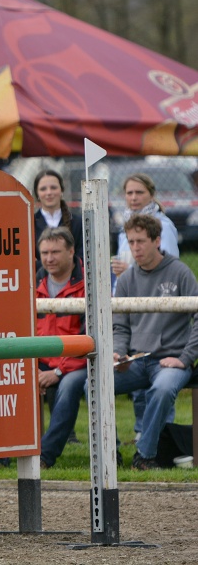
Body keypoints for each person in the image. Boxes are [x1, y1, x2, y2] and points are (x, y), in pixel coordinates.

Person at [111, 214, 198, 470]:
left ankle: (144, 456)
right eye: (130, 242)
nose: (134, 248)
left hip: (170, 361)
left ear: (157, 240)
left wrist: (184, 358)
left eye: (140, 241)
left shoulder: (180, 272)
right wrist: (118, 354)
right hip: (136, 360)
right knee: (92, 385)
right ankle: (109, 453)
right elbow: (120, 326)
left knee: (161, 390)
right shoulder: (126, 279)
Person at [110, 173, 181, 439]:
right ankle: (142, 431)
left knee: (159, 376)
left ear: (151, 194)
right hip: (131, 310)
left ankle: (163, 436)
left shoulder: (163, 225)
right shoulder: (126, 225)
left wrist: (132, 269)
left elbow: (169, 267)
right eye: (129, 193)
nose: (133, 198)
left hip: (157, 311)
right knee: (137, 370)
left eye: (139, 192)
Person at [33, 227, 87, 469]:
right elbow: (23, 332)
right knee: (11, 380)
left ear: (71, 252)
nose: (49, 258)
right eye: (44, 252)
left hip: (78, 362)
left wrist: (56, 372)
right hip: (40, 361)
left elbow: (90, 339)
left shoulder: (89, 283)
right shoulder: (32, 283)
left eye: (55, 251)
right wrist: (32, 368)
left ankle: (44, 457)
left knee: (68, 386)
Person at [32, 170, 84, 271]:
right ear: (37, 194)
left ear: (62, 191)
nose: (49, 193)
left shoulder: (78, 223)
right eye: (43, 189)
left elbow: (82, 258)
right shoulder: (28, 224)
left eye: (53, 188)